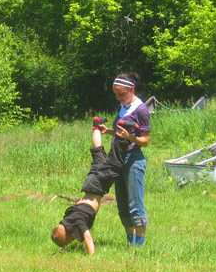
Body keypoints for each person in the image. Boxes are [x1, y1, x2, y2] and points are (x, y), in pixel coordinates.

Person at [51, 117, 131, 255]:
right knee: (98, 153)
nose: (72, 240)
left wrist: (91, 255)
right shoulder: (68, 218)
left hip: (98, 186)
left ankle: (124, 131)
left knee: (115, 163)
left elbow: (87, 237)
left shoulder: (78, 222)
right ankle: (96, 125)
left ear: (70, 235)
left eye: (69, 241)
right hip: (90, 183)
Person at [103, 72, 151, 247]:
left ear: (131, 89)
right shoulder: (122, 107)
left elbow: (145, 140)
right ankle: (130, 243)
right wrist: (109, 131)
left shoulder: (141, 109)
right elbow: (121, 133)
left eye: (121, 93)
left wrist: (130, 138)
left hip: (133, 159)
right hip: (119, 158)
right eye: (115, 94)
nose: (118, 97)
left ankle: (140, 246)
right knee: (122, 203)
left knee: (135, 203)